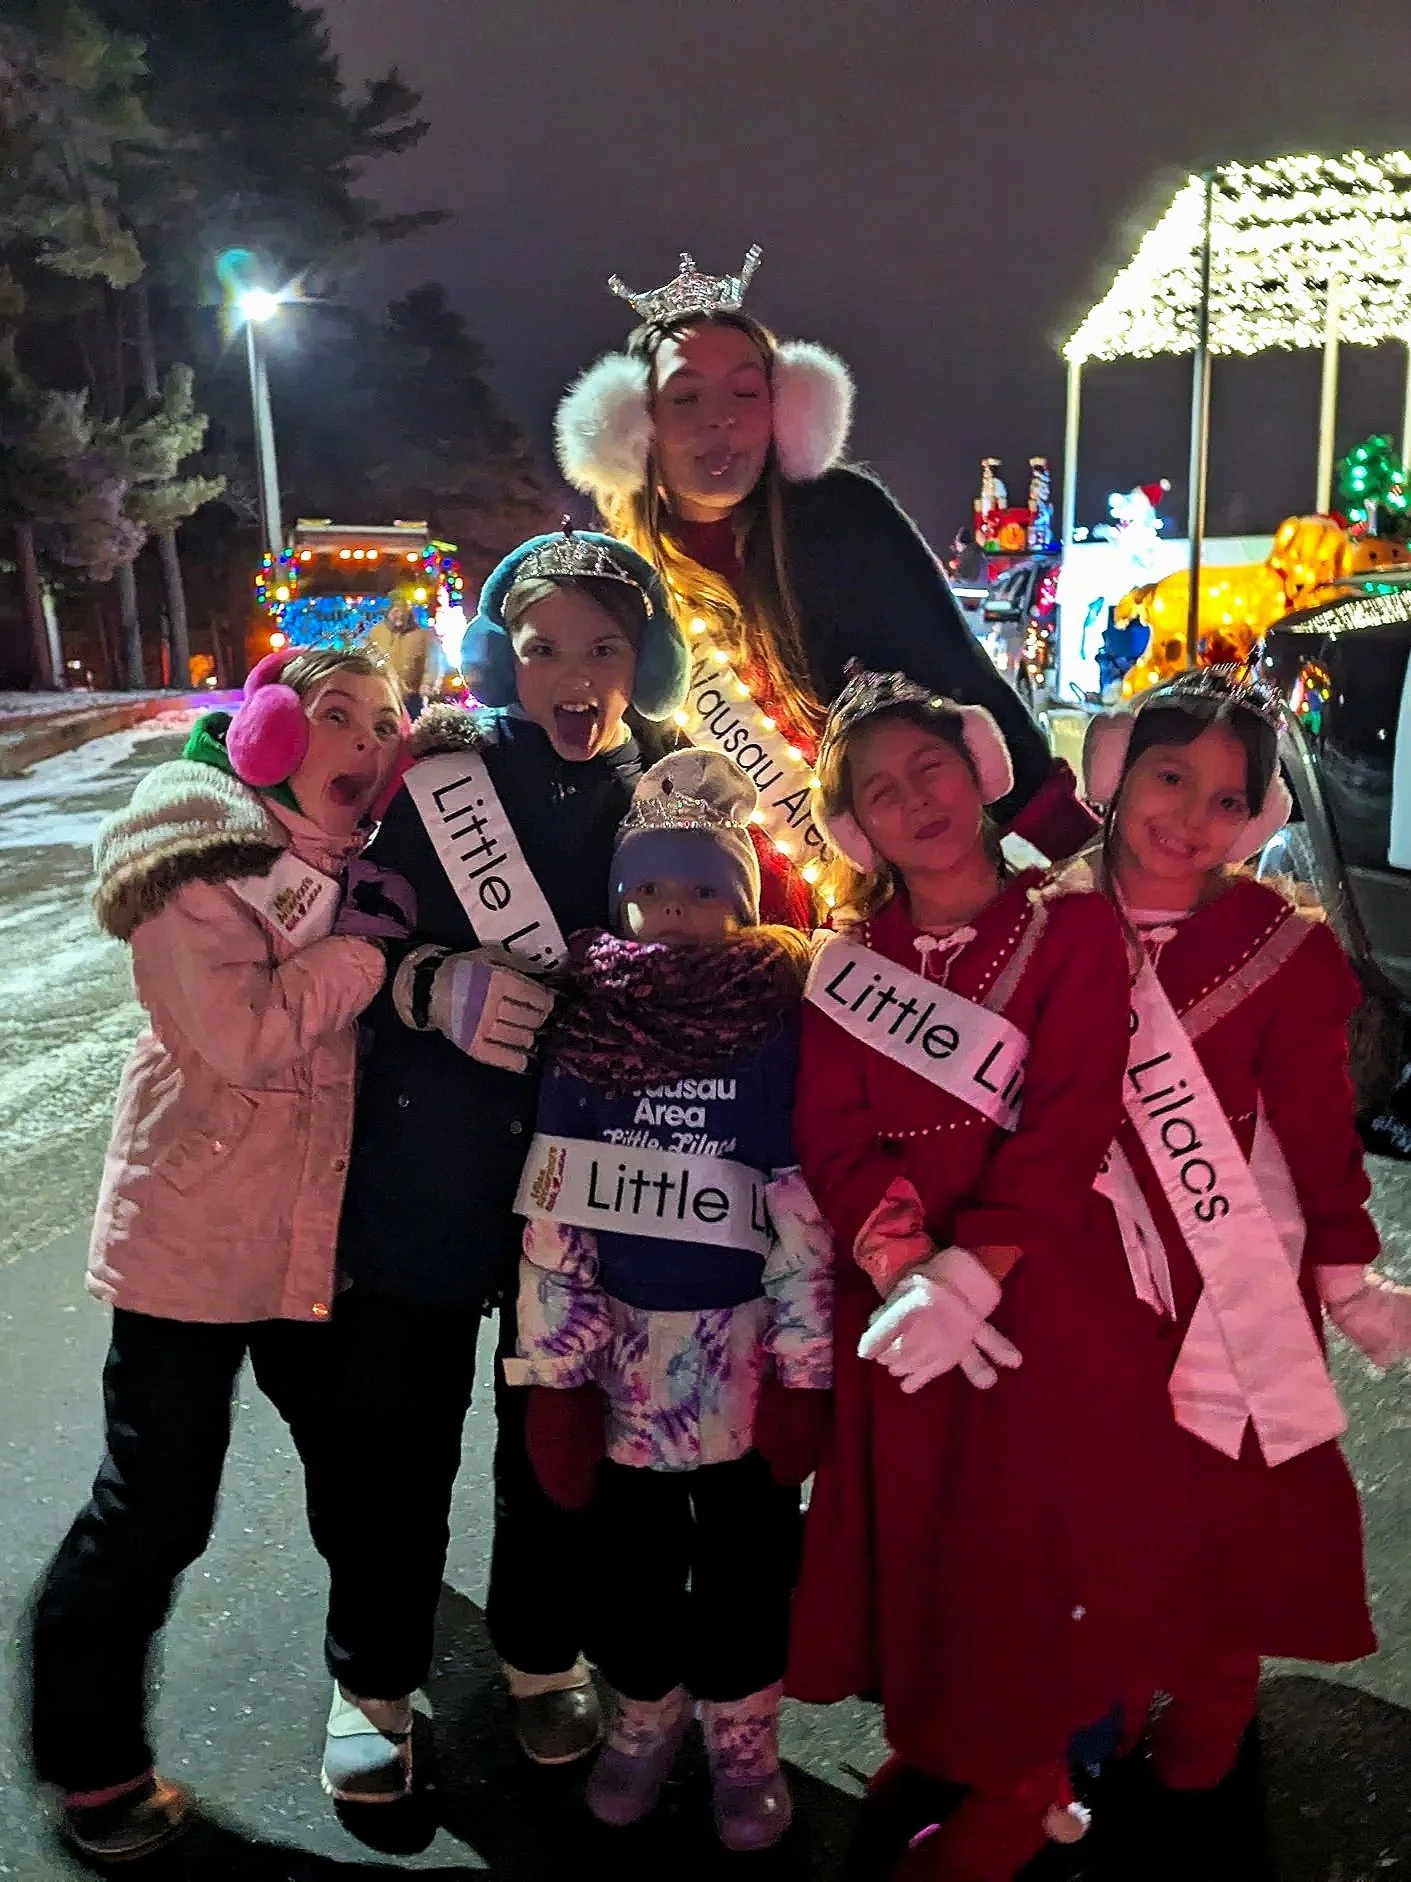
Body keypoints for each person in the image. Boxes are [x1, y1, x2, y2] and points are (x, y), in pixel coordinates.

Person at [317, 528, 692, 1802]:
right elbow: (342, 945)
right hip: (427, 1163)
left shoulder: (672, 788)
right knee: (395, 1436)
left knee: (554, 1436)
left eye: (604, 646)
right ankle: (370, 1672)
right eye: (541, 649)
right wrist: (428, 983)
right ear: (497, 658)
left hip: (583, 1176)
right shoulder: (438, 782)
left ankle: (540, 1653)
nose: (573, 674)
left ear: (646, 658)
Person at [785, 666, 1174, 1881]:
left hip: (1043, 1288)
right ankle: (959, 1735)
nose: (916, 800)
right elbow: (832, 1132)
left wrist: (971, 1276)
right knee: (933, 1537)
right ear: (857, 828)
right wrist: (905, 1266)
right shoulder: (849, 960)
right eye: (881, 790)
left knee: (1035, 1536)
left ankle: (1036, 1772)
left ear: (980, 770)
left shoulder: (1072, 927)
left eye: (931, 767)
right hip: (903, 1299)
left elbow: (1068, 1120)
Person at [26, 647, 407, 1865]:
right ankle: (91, 1765)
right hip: (191, 1244)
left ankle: (379, 1679)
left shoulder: (348, 863)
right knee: (154, 1510)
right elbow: (244, 1036)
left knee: (363, 1463)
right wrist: (369, 958)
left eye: (385, 722)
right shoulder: (196, 857)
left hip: (311, 1242)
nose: (363, 740)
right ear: (271, 737)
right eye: (335, 715)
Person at [1076, 669, 1411, 1840]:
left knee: (1223, 1502)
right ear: (1115, 777)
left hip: (1226, 1272)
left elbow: (1318, 1124)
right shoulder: (1049, 920)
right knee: (1093, 1495)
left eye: (1229, 798)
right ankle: (1105, 1685)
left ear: (1258, 818)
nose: (1193, 816)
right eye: (1170, 776)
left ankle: (1215, 1689)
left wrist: (1341, 1263)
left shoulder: (1282, 948)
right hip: (1088, 1271)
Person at [509, 747, 832, 1852]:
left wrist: (804, 1368)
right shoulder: (589, 1023)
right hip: (624, 1367)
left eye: (702, 889)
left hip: (741, 1356)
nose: (675, 911)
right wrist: (553, 1382)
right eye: (653, 889)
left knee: (748, 1565)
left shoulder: (773, 1026)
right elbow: (556, 1221)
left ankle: (744, 1737)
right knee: (631, 1565)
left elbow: (798, 1210)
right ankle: (643, 1716)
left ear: (738, 899)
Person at [553, 245, 1098, 877]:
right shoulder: (621, 576)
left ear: (783, 409)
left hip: (904, 878)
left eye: (745, 392)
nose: (721, 419)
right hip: (731, 896)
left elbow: (958, 675)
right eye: (686, 398)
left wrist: (1080, 847)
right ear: (634, 423)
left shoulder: (845, 517)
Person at [366, 594, 442, 718]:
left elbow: (433, 663)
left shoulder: (423, 635)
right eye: (395, 611)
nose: (400, 615)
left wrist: (427, 686)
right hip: (384, 697)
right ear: (387, 612)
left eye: (403, 611)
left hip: (413, 698)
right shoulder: (376, 634)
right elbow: (369, 661)